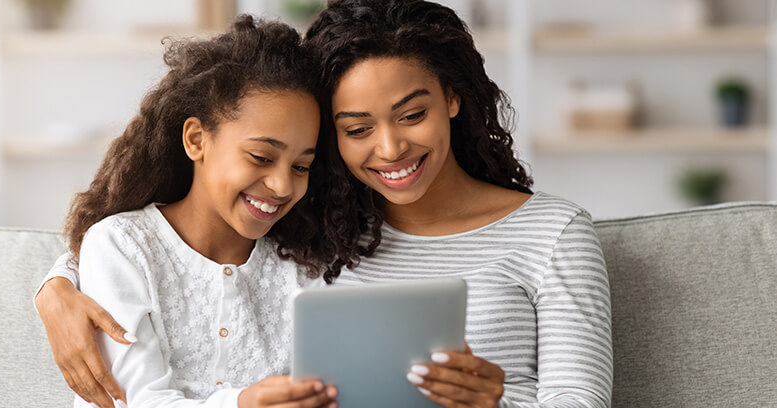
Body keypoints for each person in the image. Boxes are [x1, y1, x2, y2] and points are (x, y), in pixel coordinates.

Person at [35, 1, 613, 407]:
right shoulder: (328, 236)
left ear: (453, 99)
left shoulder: (553, 233)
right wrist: (58, 284)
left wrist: (496, 404)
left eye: (413, 115)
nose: (391, 148)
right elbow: (171, 252)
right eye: (356, 128)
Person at [38, 15, 341, 408]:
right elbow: (131, 401)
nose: (283, 185)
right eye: (261, 156)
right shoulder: (125, 245)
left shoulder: (302, 267)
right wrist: (241, 404)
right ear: (197, 139)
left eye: (301, 167)